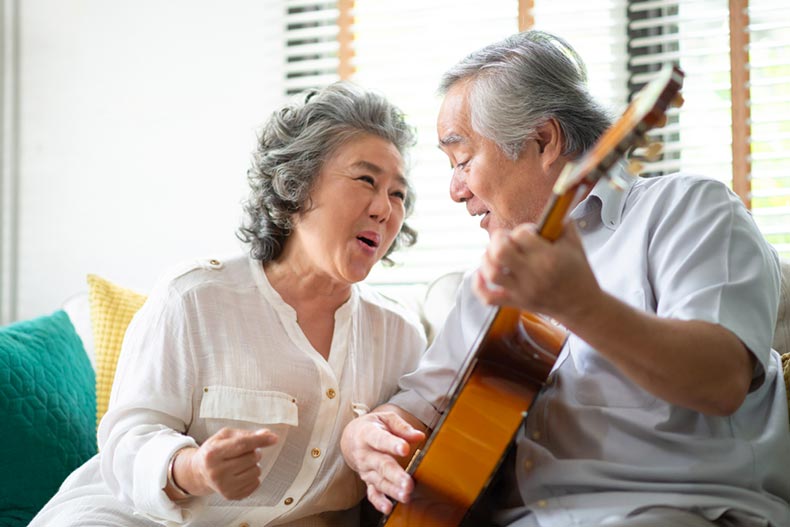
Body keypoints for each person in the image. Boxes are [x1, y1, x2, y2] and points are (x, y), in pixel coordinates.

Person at [341, 30, 790, 527]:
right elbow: (419, 406)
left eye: (464, 161)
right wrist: (365, 436)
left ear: (543, 140)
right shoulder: (491, 279)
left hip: (681, 512)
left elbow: (720, 380)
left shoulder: (690, 210)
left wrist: (582, 306)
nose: (455, 191)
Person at [29, 81, 427, 527]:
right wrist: (194, 469)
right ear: (296, 186)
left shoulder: (399, 334)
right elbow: (127, 439)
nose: (384, 209)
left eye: (398, 195)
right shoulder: (195, 297)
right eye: (366, 180)